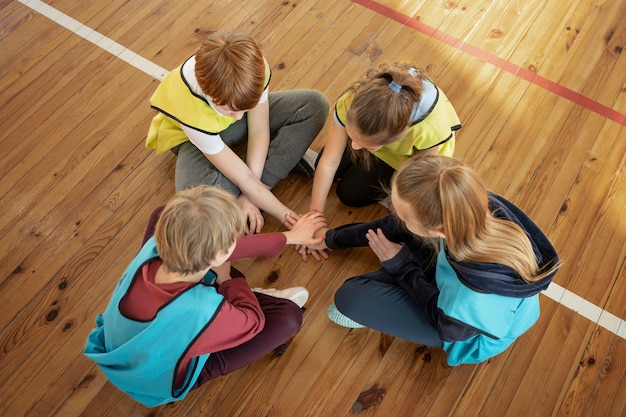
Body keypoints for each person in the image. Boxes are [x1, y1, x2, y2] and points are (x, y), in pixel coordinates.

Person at [84, 185, 326, 407]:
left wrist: (289, 237)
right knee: (288, 317)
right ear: (221, 254)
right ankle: (240, 292)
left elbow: (213, 248)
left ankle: (229, 285)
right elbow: (252, 322)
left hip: (124, 351)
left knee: (162, 214)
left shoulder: (158, 242)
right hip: (161, 381)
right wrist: (226, 278)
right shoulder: (201, 310)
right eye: (235, 241)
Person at [309, 155, 560, 366]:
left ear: (438, 231)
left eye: (403, 216)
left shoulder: (471, 298)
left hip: (461, 331)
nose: (395, 215)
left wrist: (402, 266)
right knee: (399, 250)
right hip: (460, 290)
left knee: (348, 298)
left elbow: (445, 327)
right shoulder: (466, 203)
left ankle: (397, 277)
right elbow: (394, 227)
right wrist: (332, 239)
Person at [146, 31, 329, 233]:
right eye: (230, 109)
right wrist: (291, 221)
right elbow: (245, 179)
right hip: (191, 140)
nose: (240, 117)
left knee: (314, 105)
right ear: (210, 95)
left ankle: (266, 173)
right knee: (196, 199)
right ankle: (281, 161)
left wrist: (250, 195)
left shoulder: (253, 69)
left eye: (244, 109)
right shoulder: (187, 106)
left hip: (224, 126)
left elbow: (259, 129)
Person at [309, 62, 461, 213]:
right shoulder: (354, 100)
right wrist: (315, 214)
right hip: (379, 138)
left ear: (401, 133)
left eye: (366, 145)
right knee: (323, 169)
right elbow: (329, 162)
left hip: (405, 158)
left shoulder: (429, 130)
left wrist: (399, 197)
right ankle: (364, 141)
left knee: (349, 194)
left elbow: (417, 173)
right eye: (351, 135)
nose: (353, 146)